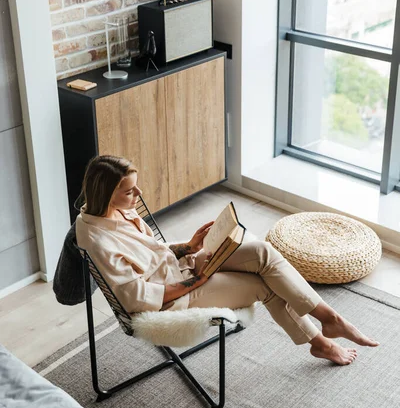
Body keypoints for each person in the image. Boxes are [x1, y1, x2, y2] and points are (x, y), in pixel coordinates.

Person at [76, 155, 379, 366]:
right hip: (175, 296)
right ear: (107, 192)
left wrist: (187, 247)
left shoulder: (118, 209)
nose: (138, 194)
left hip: (183, 268)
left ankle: (329, 319)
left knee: (262, 252)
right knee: (266, 286)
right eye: (130, 191)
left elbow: (150, 255)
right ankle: (321, 342)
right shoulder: (99, 239)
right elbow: (135, 297)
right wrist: (197, 280)